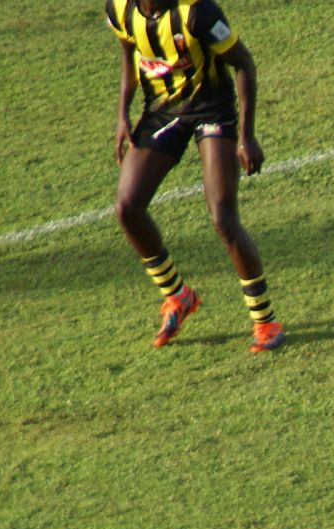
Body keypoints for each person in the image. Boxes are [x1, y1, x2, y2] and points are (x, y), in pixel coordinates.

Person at [107, 0, 283, 352]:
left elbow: (243, 63)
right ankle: (177, 296)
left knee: (222, 217)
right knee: (127, 207)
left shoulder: (198, 12)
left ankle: (265, 322)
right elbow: (129, 57)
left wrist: (246, 135)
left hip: (211, 109)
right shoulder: (120, 9)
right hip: (161, 110)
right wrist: (122, 113)